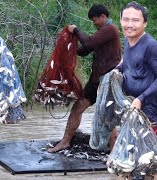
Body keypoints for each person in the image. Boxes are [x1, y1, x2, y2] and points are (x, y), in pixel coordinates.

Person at [48, 4, 122, 153]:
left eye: (94, 20)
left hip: (109, 80)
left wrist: (75, 30)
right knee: (77, 108)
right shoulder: (102, 32)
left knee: (107, 115)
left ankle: (114, 152)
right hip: (96, 81)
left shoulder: (110, 29)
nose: (93, 23)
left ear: (103, 17)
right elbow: (84, 50)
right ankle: (65, 142)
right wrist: (68, 46)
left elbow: (87, 42)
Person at [116, 1, 157, 179]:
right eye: (126, 19)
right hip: (130, 111)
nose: (130, 24)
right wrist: (117, 69)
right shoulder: (127, 39)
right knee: (126, 163)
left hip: (149, 114)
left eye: (135, 20)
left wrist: (141, 98)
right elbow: (128, 63)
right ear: (120, 20)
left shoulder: (151, 46)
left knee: (149, 164)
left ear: (145, 23)